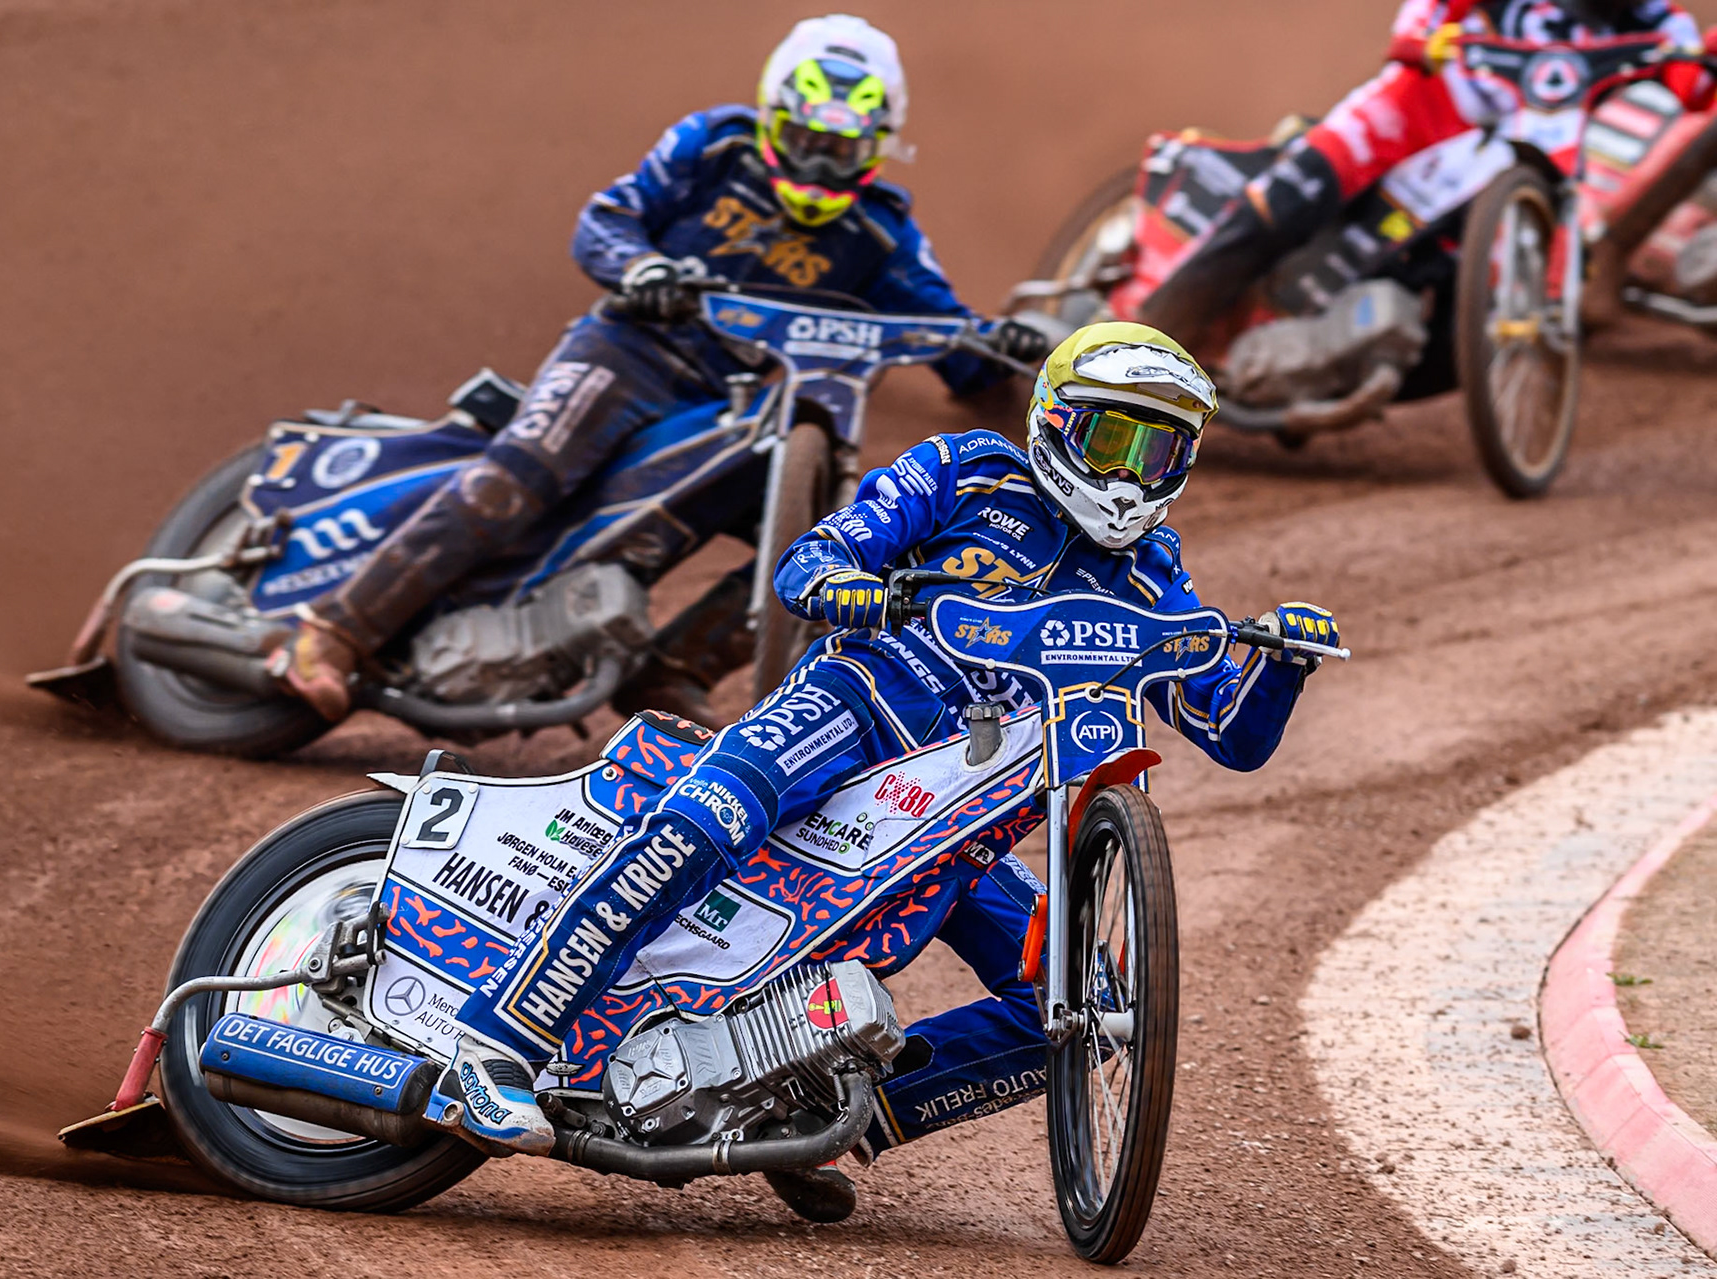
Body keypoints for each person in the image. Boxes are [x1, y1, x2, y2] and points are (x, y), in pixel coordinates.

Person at [427, 323, 1340, 1217]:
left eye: (1158, 449)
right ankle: (494, 1039)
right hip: (852, 713)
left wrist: (1284, 663)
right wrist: (846, 580)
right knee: (698, 826)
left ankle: (817, 1117)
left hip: (964, 820)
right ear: (1058, 423)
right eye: (1112, 439)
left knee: (1085, 1002)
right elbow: (811, 557)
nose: (1129, 474)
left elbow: (1230, 729)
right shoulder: (967, 469)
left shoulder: (1151, 569)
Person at [265, 14, 1050, 730]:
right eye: (807, 138)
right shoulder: (711, 147)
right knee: (518, 478)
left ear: (878, 145)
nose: (819, 162)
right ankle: (331, 631)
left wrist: (1006, 345)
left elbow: (952, 338)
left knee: (827, 549)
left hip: (742, 409)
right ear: (775, 117)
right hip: (631, 353)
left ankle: (672, 671)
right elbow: (607, 218)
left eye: (842, 149)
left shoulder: (883, 234)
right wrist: (641, 267)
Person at [1140, 0, 1714, 349]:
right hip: (1419, 104)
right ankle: (1152, 329)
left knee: (1476, 294)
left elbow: (1693, 89)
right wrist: (1420, 39)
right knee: (1292, 198)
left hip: (1520, 158)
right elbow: (1425, 17)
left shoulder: (1657, 18)